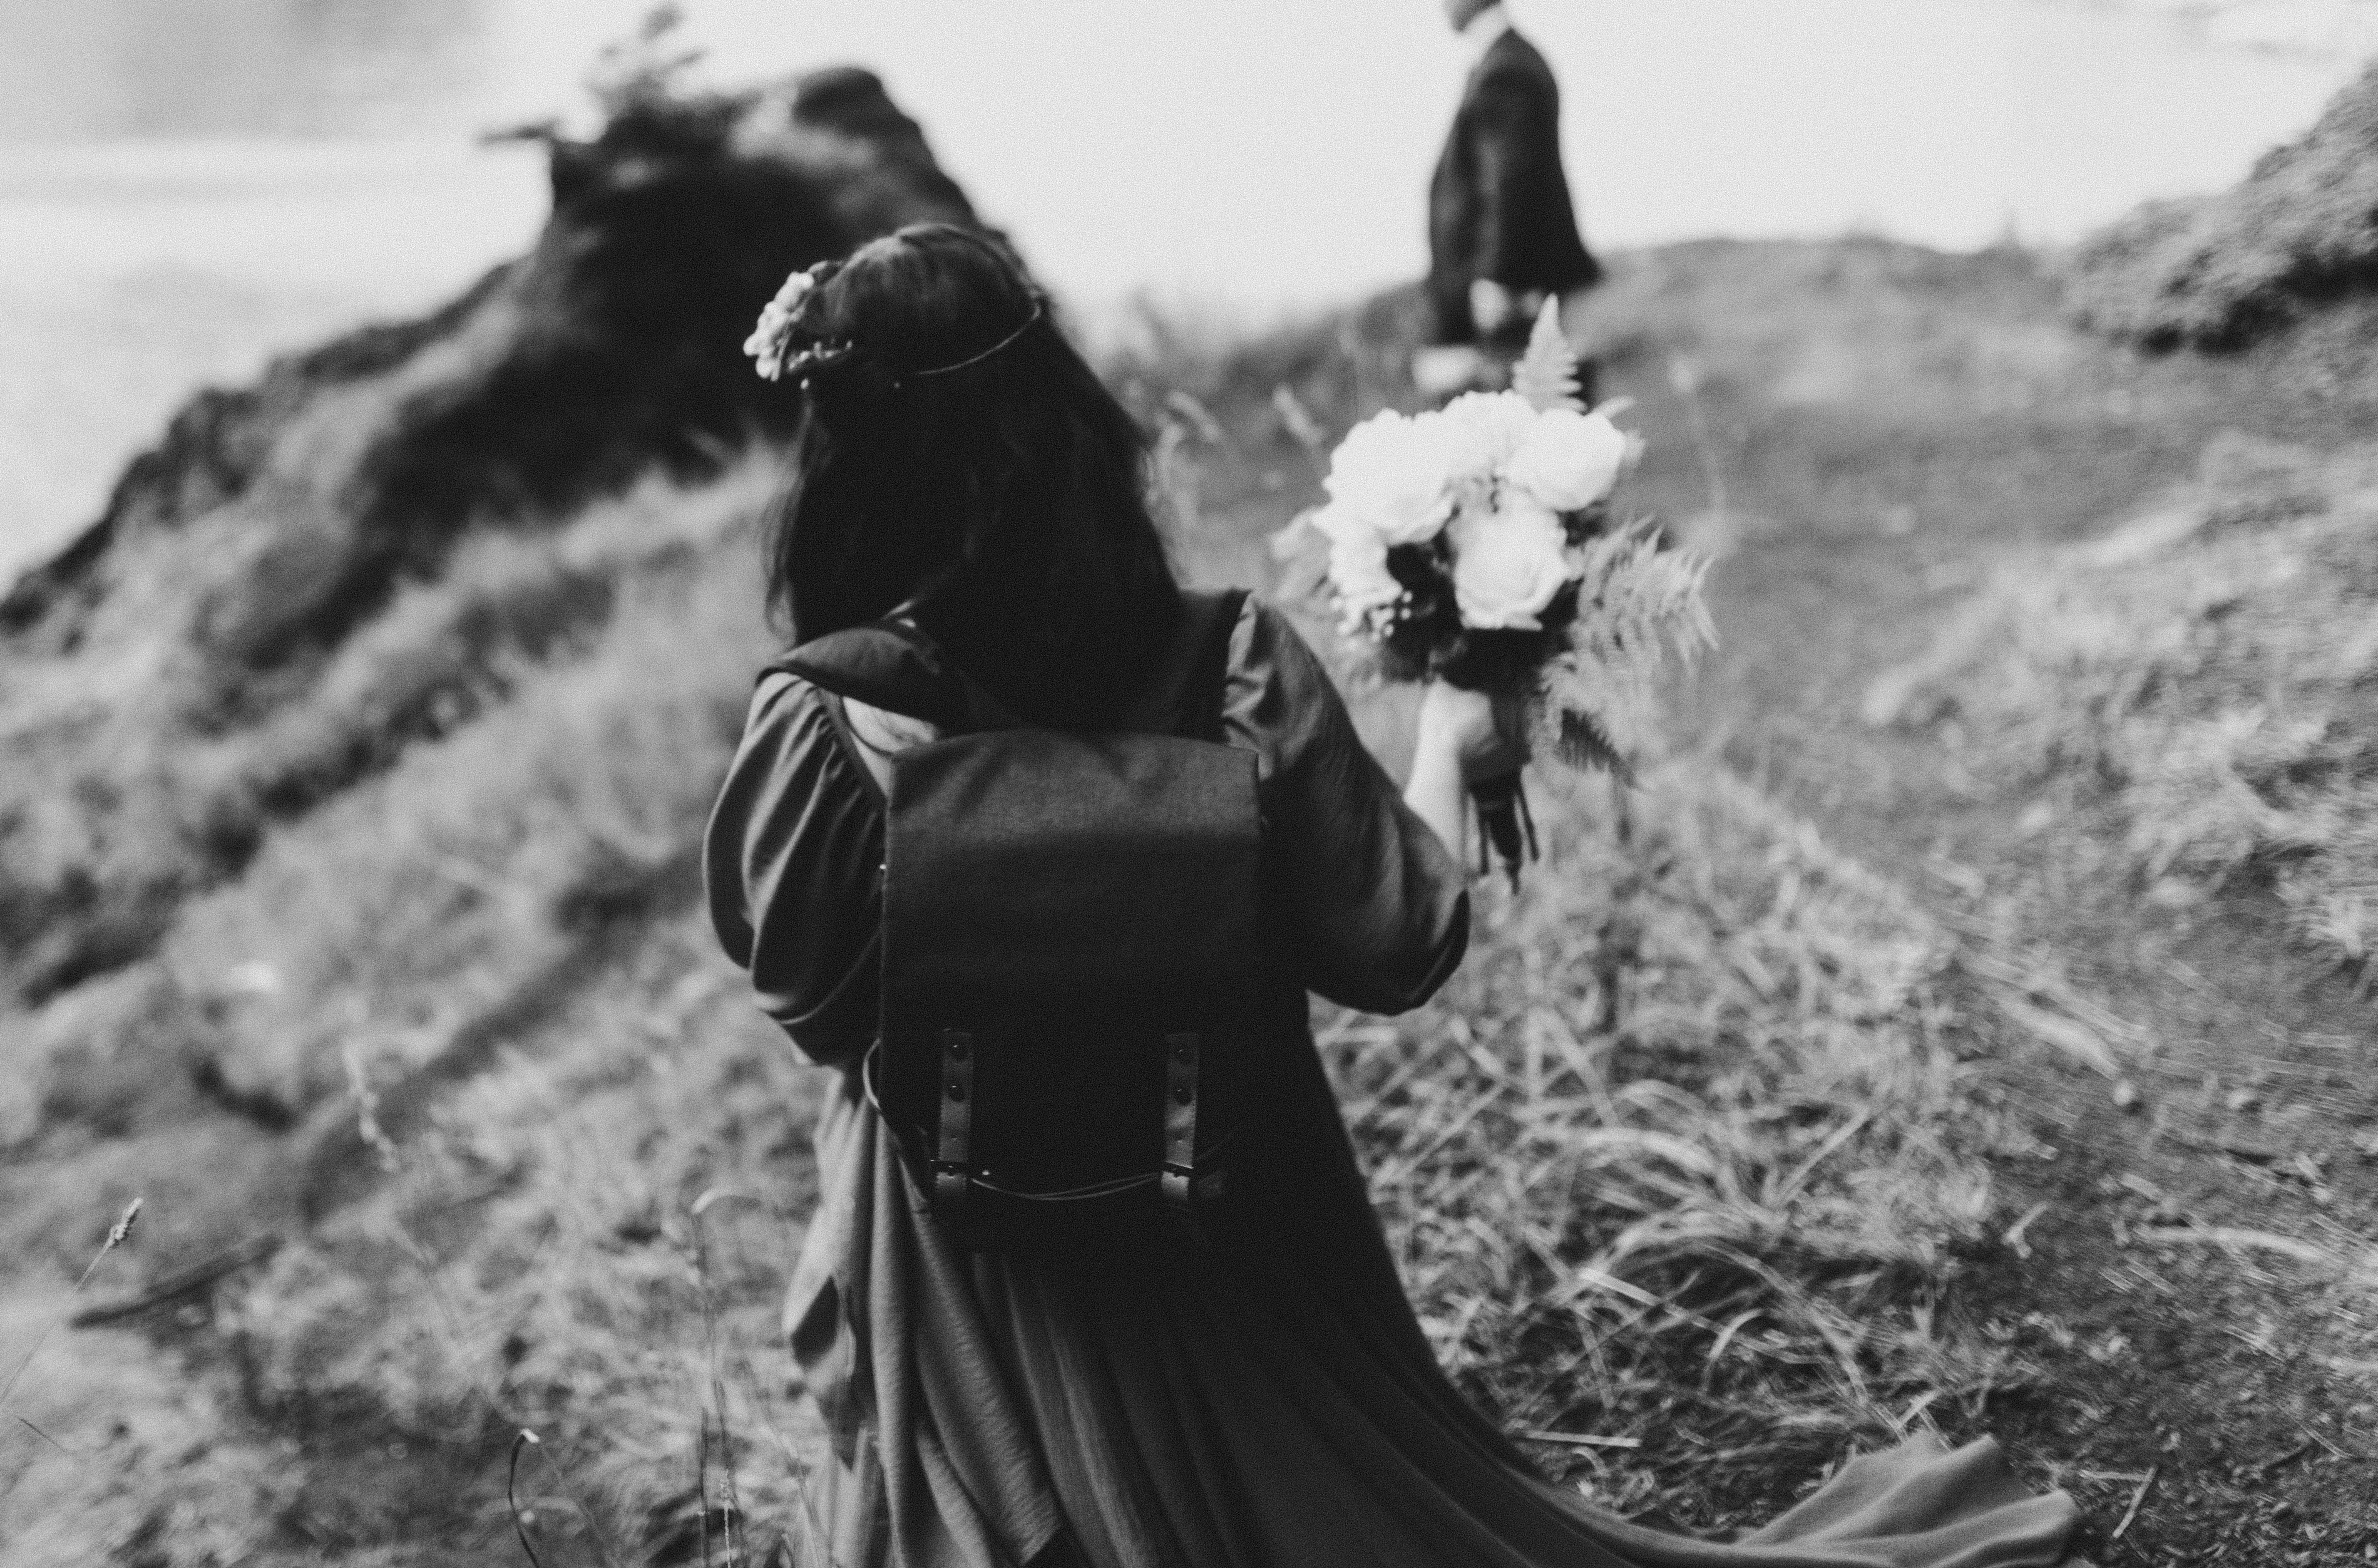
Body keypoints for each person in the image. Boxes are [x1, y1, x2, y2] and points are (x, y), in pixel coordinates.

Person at [705, 223, 2083, 1568]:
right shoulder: (1230, 661)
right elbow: (1396, 942)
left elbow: (813, 1010)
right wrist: (1448, 745)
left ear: (843, 461)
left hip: (970, 1253)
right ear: (1070, 419)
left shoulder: (823, 728)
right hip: (1232, 1218)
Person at [1417, 0, 1604, 399]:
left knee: (1526, 418)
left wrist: (1499, 278)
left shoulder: (1507, 71)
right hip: (1509, 286)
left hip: (1508, 292)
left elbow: (1509, 183)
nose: (1442, 5)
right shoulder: (1507, 61)